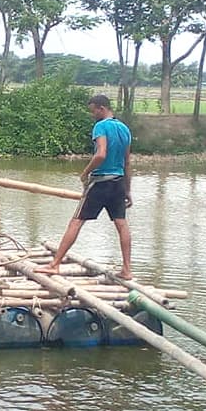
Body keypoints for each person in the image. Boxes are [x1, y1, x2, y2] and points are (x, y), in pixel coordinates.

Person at [36, 95, 134, 279]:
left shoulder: (101, 126)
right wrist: (128, 190)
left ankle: (55, 264)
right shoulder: (124, 129)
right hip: (119, 182)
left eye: (93, 110)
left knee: (76, 221)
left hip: (100, 182)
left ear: (101, 108)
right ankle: (127, 270)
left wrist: (84, 173)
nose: (92, 115)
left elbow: (101, 154)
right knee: (121, 224)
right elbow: (127, 162)